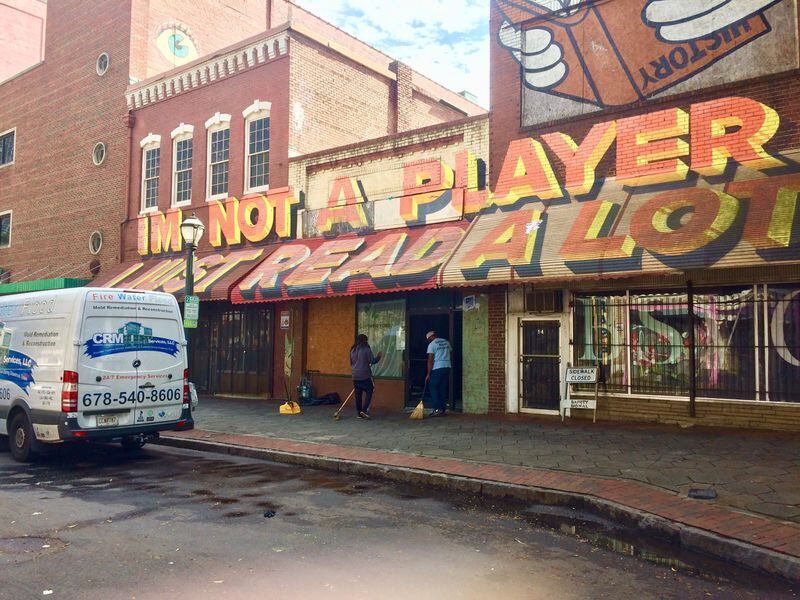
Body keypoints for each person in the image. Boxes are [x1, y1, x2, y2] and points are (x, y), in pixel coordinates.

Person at [350, 334, 382, 419]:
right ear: (365, 341)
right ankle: (364, 410)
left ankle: (359, 413)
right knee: (370, 390)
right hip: (365, 375)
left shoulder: (352, 350)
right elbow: (372, 361)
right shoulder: (366, 349)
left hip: (355, 375)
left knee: (358, 394)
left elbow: (352, 363)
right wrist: (379, 357)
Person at [425, 330, 452, 417]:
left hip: (438, 368)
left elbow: (430, 360)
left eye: (428, 339)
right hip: (447, 366)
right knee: (442, 388)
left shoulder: (432, 344)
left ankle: (437, 408)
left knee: (433, 387)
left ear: (429, 338)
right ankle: (443, 409)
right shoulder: (446, 342)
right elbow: (450, 354)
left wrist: (428, 374)